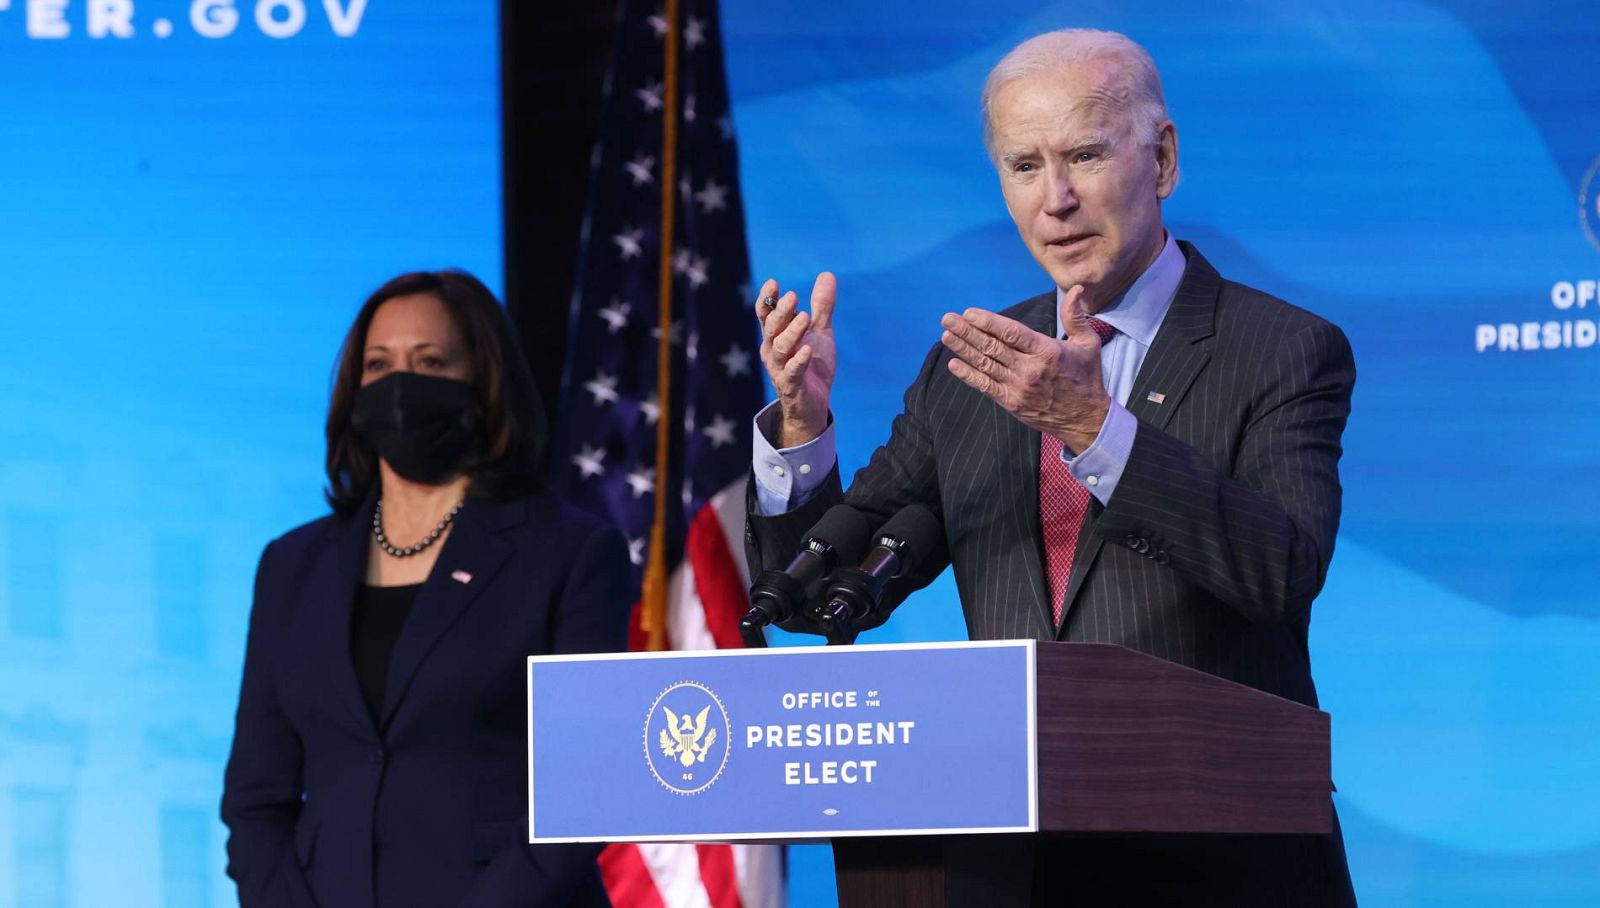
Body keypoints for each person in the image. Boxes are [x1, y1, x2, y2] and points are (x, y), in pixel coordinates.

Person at [745, 29, 1357, 905]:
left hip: (1222, 857)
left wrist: (1092, 426)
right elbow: (817, 596)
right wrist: (802, 428)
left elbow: (1280, 570)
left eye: (1084, 154)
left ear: (1164, 157)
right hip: (1012, 866)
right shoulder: (976, 365)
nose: (1056, 199)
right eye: (1024, 167)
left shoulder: (1283, 349)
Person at [222, 270, 630, 908]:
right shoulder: (291, 565)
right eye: (378, 365)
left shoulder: (570, 553)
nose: (399, 386)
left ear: (484, 383)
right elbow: (256, 802)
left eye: (430, 361)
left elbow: (583, 794)